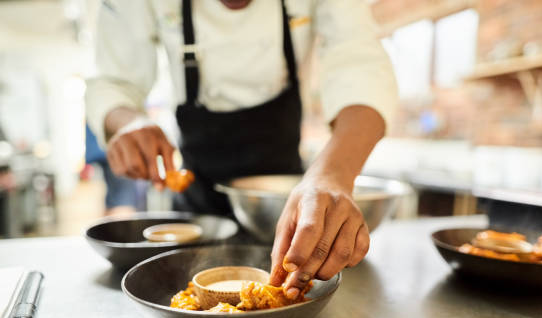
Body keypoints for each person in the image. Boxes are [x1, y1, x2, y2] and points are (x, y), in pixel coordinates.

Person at [86, 0, 397, 298]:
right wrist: (126, 122)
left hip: (282, 210)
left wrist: (332, 175)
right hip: (197, 215)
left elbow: (361, 67)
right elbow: (113, 82)